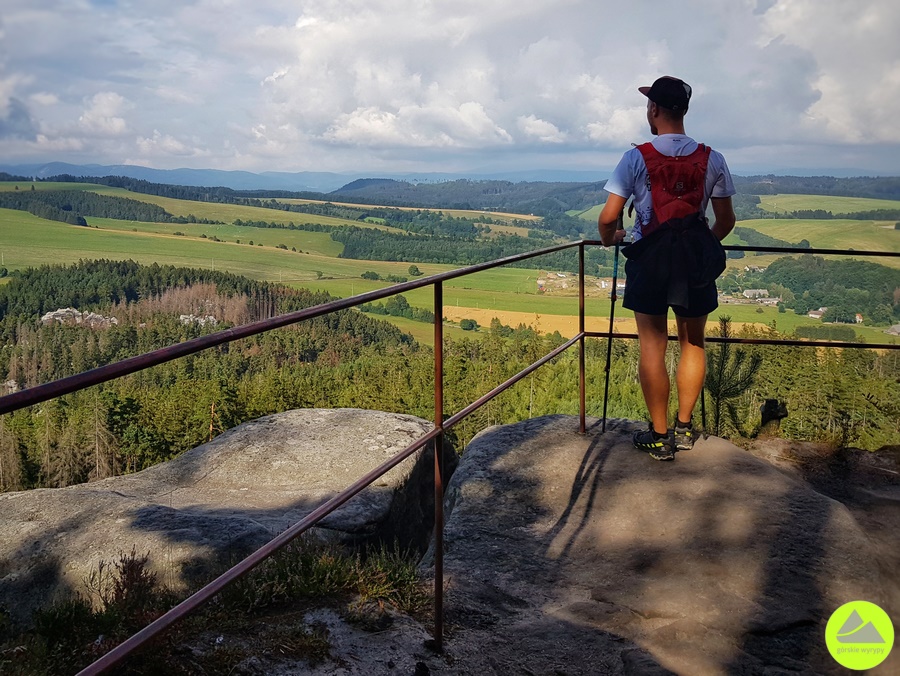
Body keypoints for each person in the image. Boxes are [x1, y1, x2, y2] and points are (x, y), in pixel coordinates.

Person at [598, 76, 736, 461]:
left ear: (654, 110)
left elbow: (608, 219)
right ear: (684, 111)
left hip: (650, 260)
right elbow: (725, 221)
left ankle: (660, 436)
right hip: (694, 260)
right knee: (693, 343)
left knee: (652, 345)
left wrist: (614, 237)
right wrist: (700, 244)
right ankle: (685, 428)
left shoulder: (635, 158)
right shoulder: (713, 158)